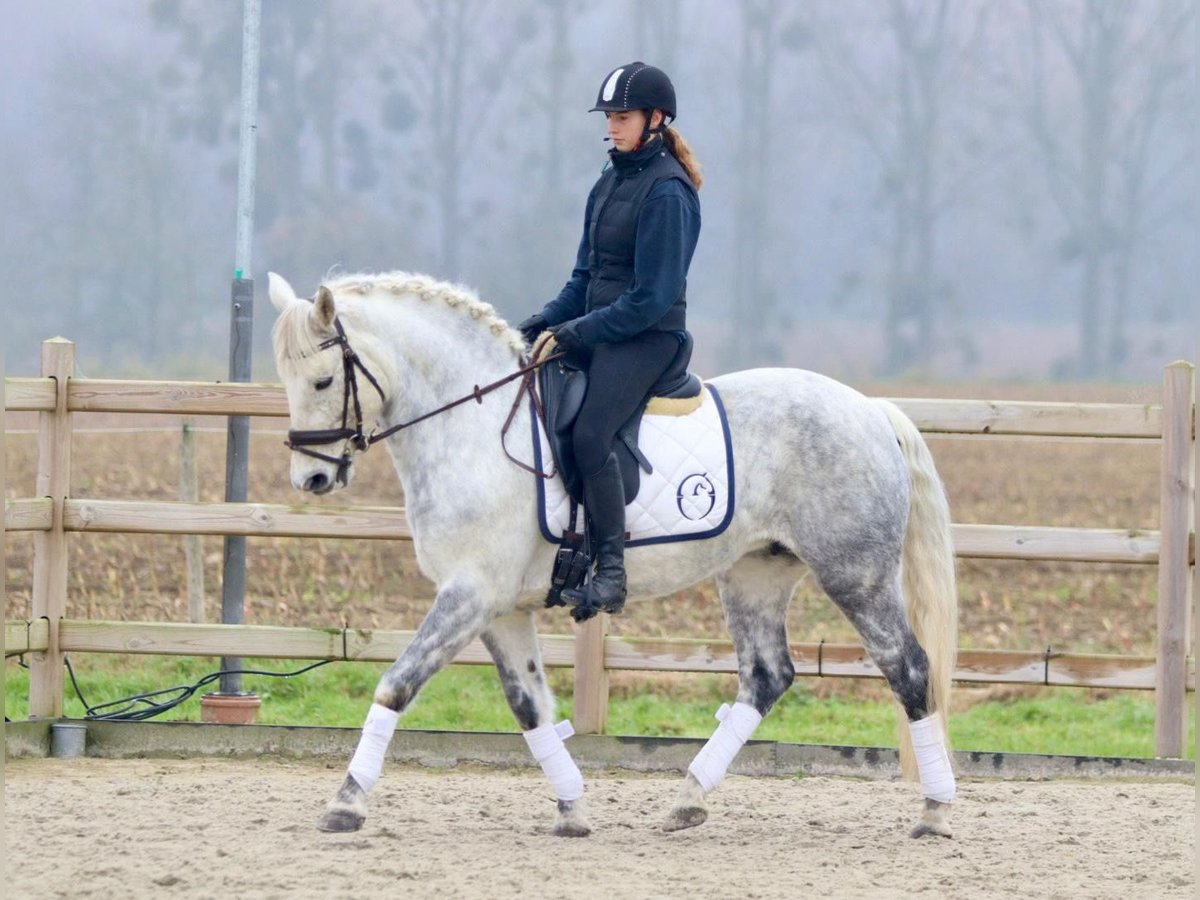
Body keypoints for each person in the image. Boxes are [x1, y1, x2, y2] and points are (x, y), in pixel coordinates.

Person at [517, 61, 703, 617]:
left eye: (623, 117)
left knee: (592, 432)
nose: (613, 126)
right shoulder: (610, 178)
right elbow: (584, 278)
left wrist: (577, 332)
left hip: (649, 339)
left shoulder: (668, 192)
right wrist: (544, 321)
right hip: (605, 330)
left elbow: (650, 298)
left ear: (655, 118)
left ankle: (611, 571)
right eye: (610, 118)